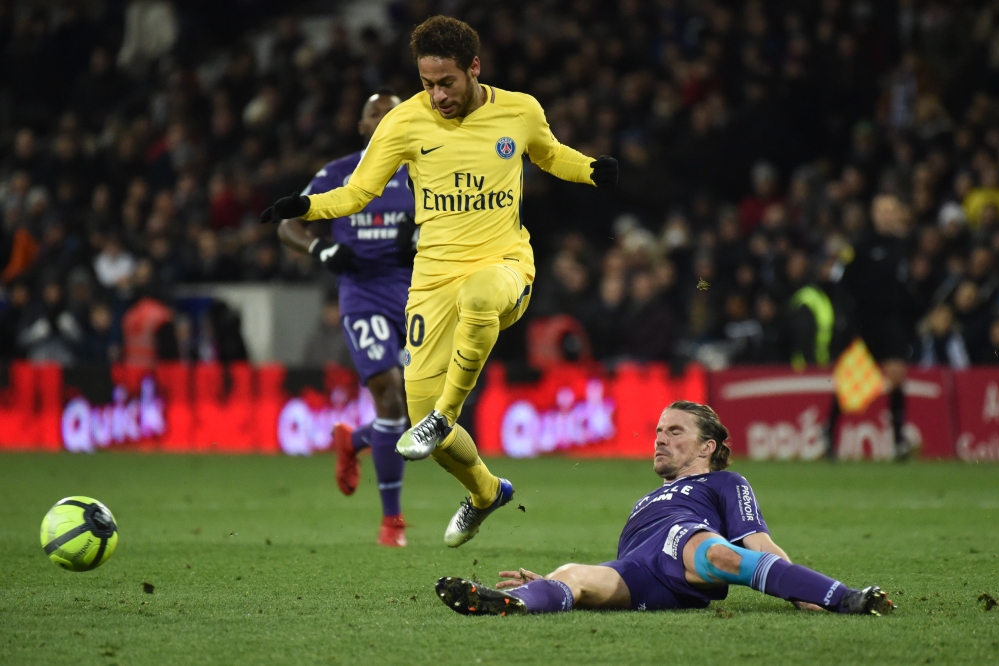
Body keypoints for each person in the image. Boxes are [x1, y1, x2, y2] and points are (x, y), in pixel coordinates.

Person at [261, 16, 618, 547]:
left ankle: (444, 416)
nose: (437, 95)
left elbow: (548, 154)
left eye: (446, 82)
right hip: (431, 282)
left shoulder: (519, 110)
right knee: (418, 416)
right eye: (427, 83)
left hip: (504, 265)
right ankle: (485, 491)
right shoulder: (405, 121)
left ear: (474, 68)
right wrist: (307, 206)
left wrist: (590, 169)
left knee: (474, 309)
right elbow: (359, 192)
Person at [435, 401, 894, 617]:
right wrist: (551, 585)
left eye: (675, 432)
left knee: (718, 553)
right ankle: (514, 603)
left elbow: (759, 543)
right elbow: (630, 558)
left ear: (707, 447)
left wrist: (799, 592)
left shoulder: (724, 482)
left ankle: (844, 597)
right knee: (573, 574)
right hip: (640, 571)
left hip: (687, 545)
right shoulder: (646, 498)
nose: (660, 439)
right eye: (658, 431)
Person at [273, 88, 413, 547]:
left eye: (392, 113)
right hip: (363, 294)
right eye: (375, 113)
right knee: (388, 395)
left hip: (419, 294)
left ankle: (353, 442)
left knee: (421, 414)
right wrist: (321, 248)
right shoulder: (337, 173)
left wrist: (424, 237)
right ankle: (392, 523)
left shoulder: (425, 170)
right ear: (361, 126)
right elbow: (288, 223)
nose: (383, 119)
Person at [830, 194, 916, 460]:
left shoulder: (904, 247)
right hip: (864, 322)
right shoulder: (861, 246)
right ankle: (828, 434)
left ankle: (899, 441)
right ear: (874, 215)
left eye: (892, 210)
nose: (888, 215)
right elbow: (841, 282)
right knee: (850, 383)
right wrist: (848, 317)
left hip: (891, 321)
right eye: (883, 211)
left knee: (897, 375)